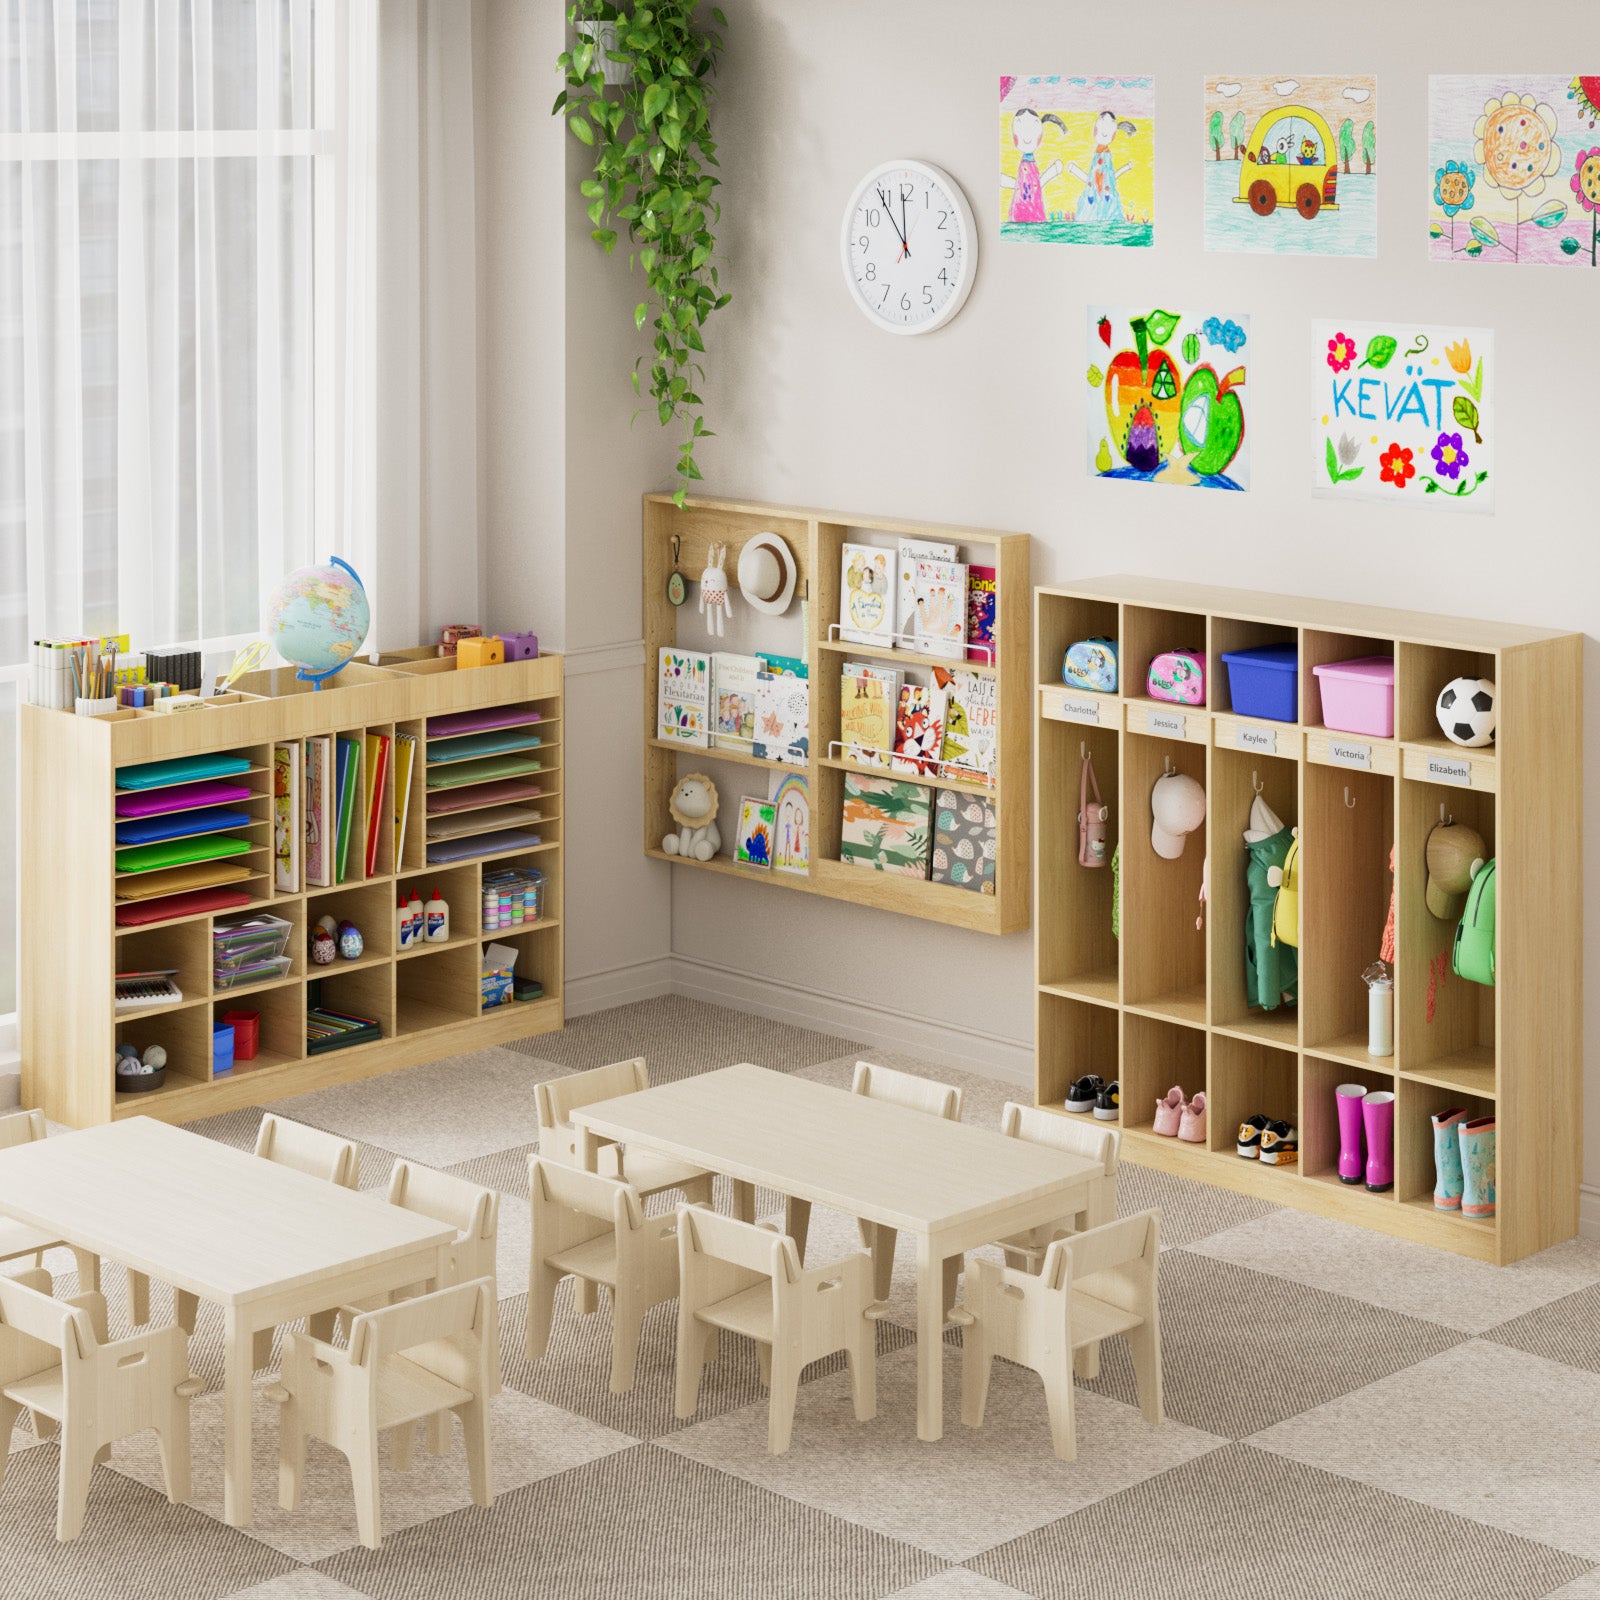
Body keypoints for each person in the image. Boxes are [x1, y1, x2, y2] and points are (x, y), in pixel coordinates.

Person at [1068, 109, 1139, 223]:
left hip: (1106, 208)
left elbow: (1108, 178)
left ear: (1114, 135)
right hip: (1091, 207)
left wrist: (1125, 168)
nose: (1103, 132)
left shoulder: (1106, 157)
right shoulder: (1099, 155)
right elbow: (1094, 179)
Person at [1001, 106, 1066, 223]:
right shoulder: (1026, 164)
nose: (1026, 137)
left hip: (1035, 215)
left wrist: (1052, 172)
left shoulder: (1031, 166)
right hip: (1019, 213)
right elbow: (1023, 185)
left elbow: (1034, 185)